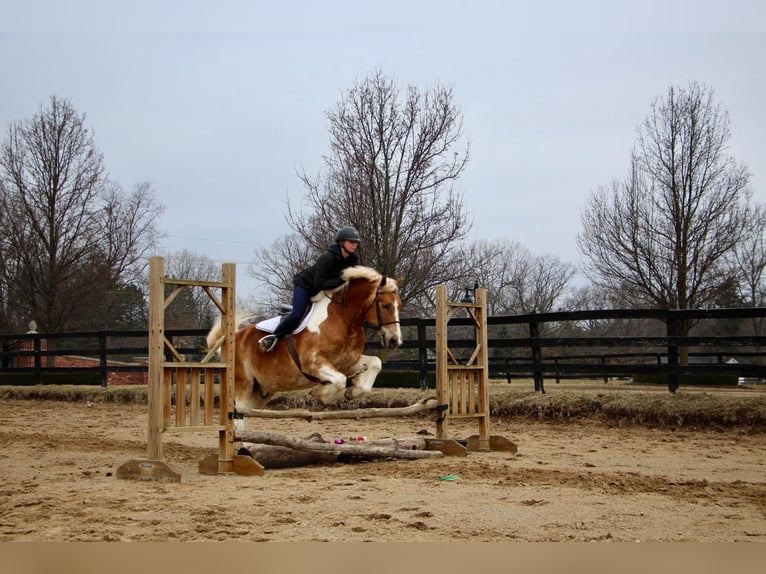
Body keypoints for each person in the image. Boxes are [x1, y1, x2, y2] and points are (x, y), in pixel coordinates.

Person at [258, 226, 362, 352]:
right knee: (297, 313)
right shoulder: (327, 258)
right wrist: (342, 280)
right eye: (351, 242)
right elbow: (320, 284)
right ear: (341, 242)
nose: (354, 245)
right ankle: (273, 337)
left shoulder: (352, 261)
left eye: (355, 242)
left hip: (324, 291)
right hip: (305, 286)